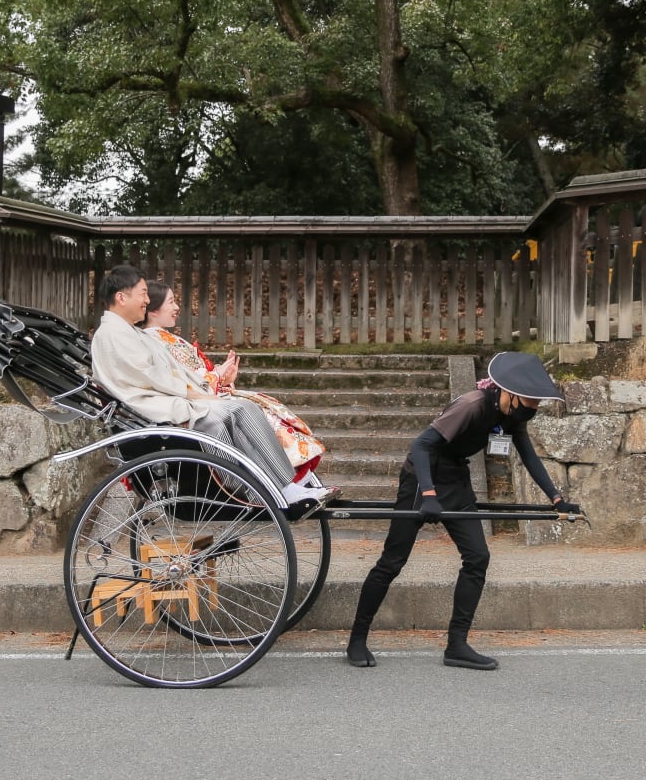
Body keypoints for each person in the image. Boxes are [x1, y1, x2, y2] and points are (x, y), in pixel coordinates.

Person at [346, 351, 581, 671]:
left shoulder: (511, 413)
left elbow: (527, 454)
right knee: (392, 561)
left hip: (455, 478)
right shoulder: (471, 405)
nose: (533, 410)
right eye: (531, 403)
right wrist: (428, 494)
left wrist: (556, 498)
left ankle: (457, 645)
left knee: (478, 557)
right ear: (510, 393)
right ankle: (357, 639)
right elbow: (421, 445)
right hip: (422, 477)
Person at [90, 264, 322, 506]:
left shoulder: (128, 333)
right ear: (121, 297)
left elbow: (169, 372)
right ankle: (274, 488)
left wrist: (203, 387)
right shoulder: (111, 335)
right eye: (143, 294)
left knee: (240, 410)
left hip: (167, 400)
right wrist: (197, 395)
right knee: (240, 409)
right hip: (153, 408)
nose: (147, 300)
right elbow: (149, 377)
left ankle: (279, 486)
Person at [141, 280, 325, 479]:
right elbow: (182, 382)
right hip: (195, 403)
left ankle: (282, 480)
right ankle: (280, 480)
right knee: (255, 412)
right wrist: (218, 375)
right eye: (170, 302)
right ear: (153, 310)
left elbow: (192, 375)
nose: (177, 307)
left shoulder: (162, 338)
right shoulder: (156, 340)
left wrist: (223, 377)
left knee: (258, 408)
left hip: (205, 396)